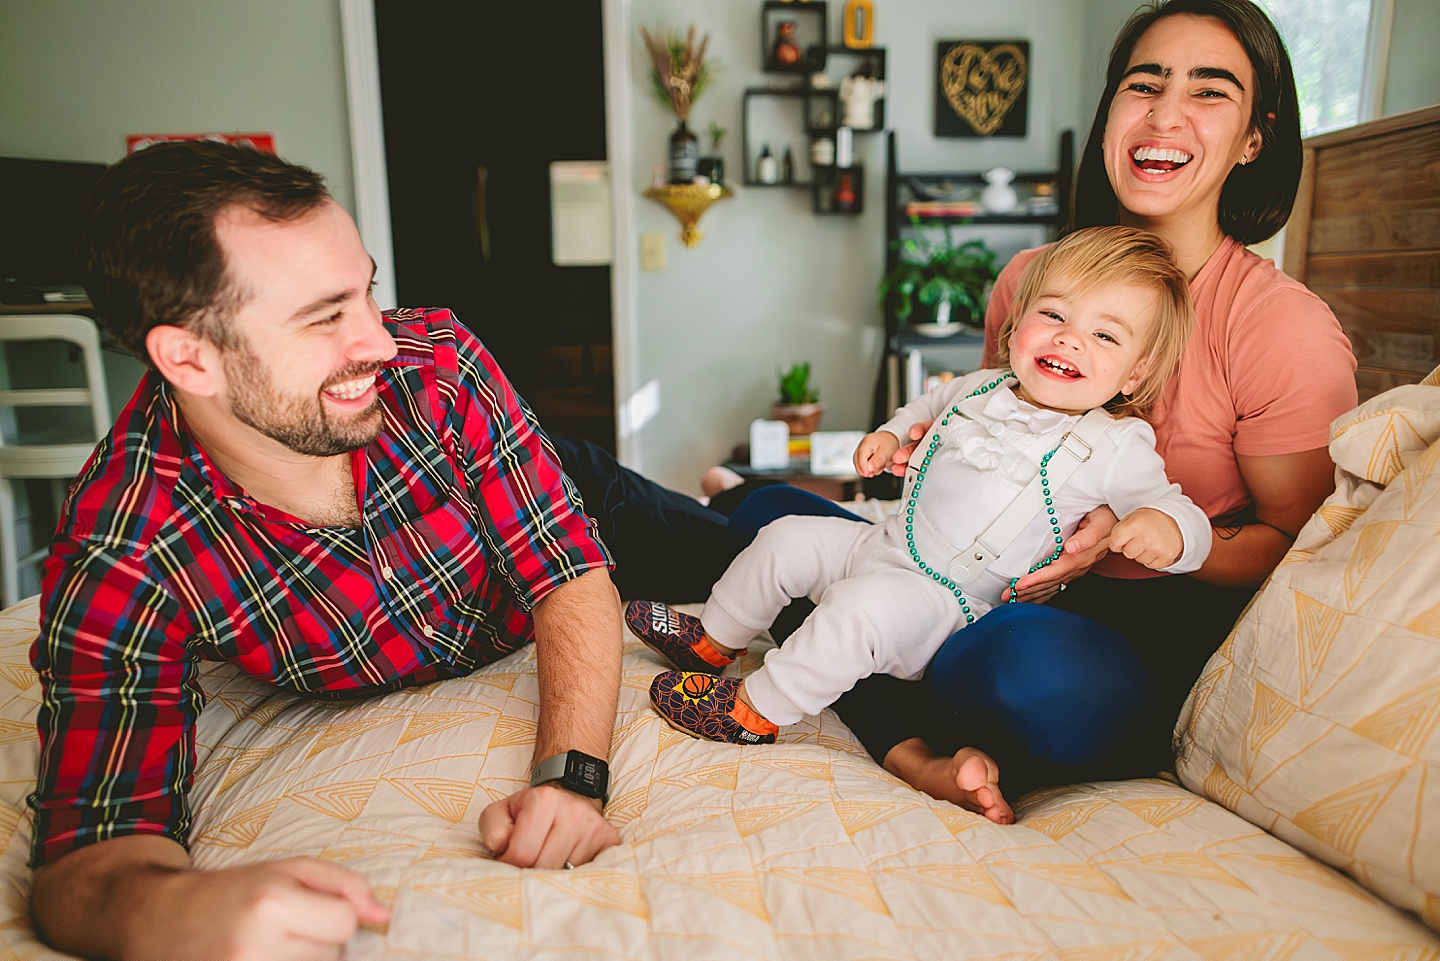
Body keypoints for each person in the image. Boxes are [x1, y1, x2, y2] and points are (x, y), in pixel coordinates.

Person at [557, 0, 1356, 823]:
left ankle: (847, 682)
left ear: (1255, 137)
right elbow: (986, 423)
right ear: (1111, 108)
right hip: (975, 573)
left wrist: (1130, 538)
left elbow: (1298, 549)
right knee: (774, 517)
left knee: (1004, 665)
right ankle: (905, 740)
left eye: (1209, 92)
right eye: (1142, 83)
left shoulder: (1281, 328)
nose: (1164, 114)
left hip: (1114, 627)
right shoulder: (1032, 277)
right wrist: (915, 447)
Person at [28, 140, 624, 961]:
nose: (379, 341)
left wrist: (570, 776)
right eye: (324, 317)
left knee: (796, 549)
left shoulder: (436, 366)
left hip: (588, 499)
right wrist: (176, 911)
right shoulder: (126, 545)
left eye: (366, 293)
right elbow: (88, 848)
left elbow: (568, 570)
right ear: (188, 357)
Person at [630, 228, 1208, 784]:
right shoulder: (982, 385)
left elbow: (1177, 509)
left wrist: (1168, 529)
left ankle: (757, 710)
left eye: (1105, 336)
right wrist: (891, 434)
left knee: (858, 610)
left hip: (942, 597)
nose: (1069, 339)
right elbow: (921, 406)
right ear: (1017, 325)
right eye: (1054, 315)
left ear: (1136, 374)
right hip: (883, 542)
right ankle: (713, 639)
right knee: (784, 536)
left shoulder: (1115, 446)